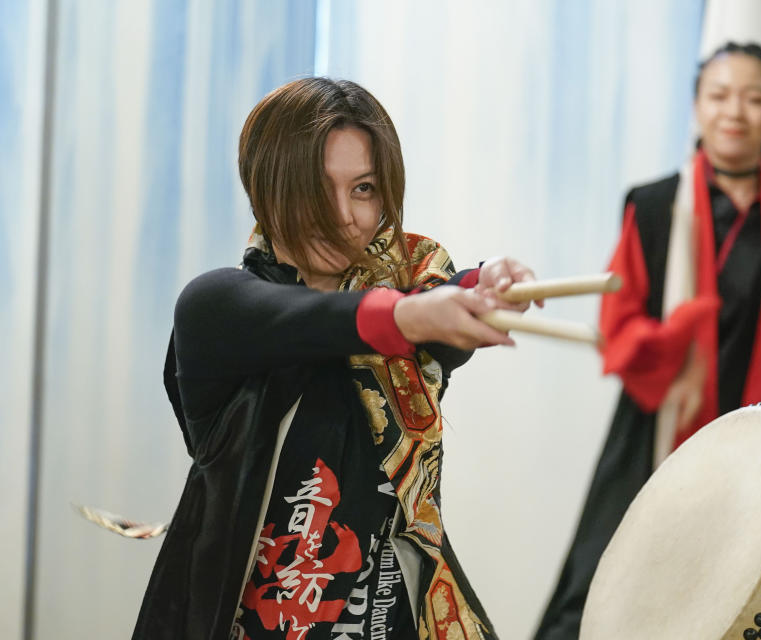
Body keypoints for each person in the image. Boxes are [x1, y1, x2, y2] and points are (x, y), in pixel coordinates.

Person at [133, 77, 537, 640]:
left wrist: (485, 281)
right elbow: (316, 321)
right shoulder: (221, 308)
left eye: (365, 188)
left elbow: (437, 317)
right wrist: (408, 317)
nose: (343, 217)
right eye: (317, 190)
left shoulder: (406, 301)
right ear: (267, 188)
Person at [535, 42, 761, 640]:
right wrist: (679, 334)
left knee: (757, 590)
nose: (734, 111)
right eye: (719, 95)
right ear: (696, 107)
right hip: (661, 419)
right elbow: (619, 323)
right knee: (598, 585)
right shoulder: (653, 205)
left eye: (753, 97)